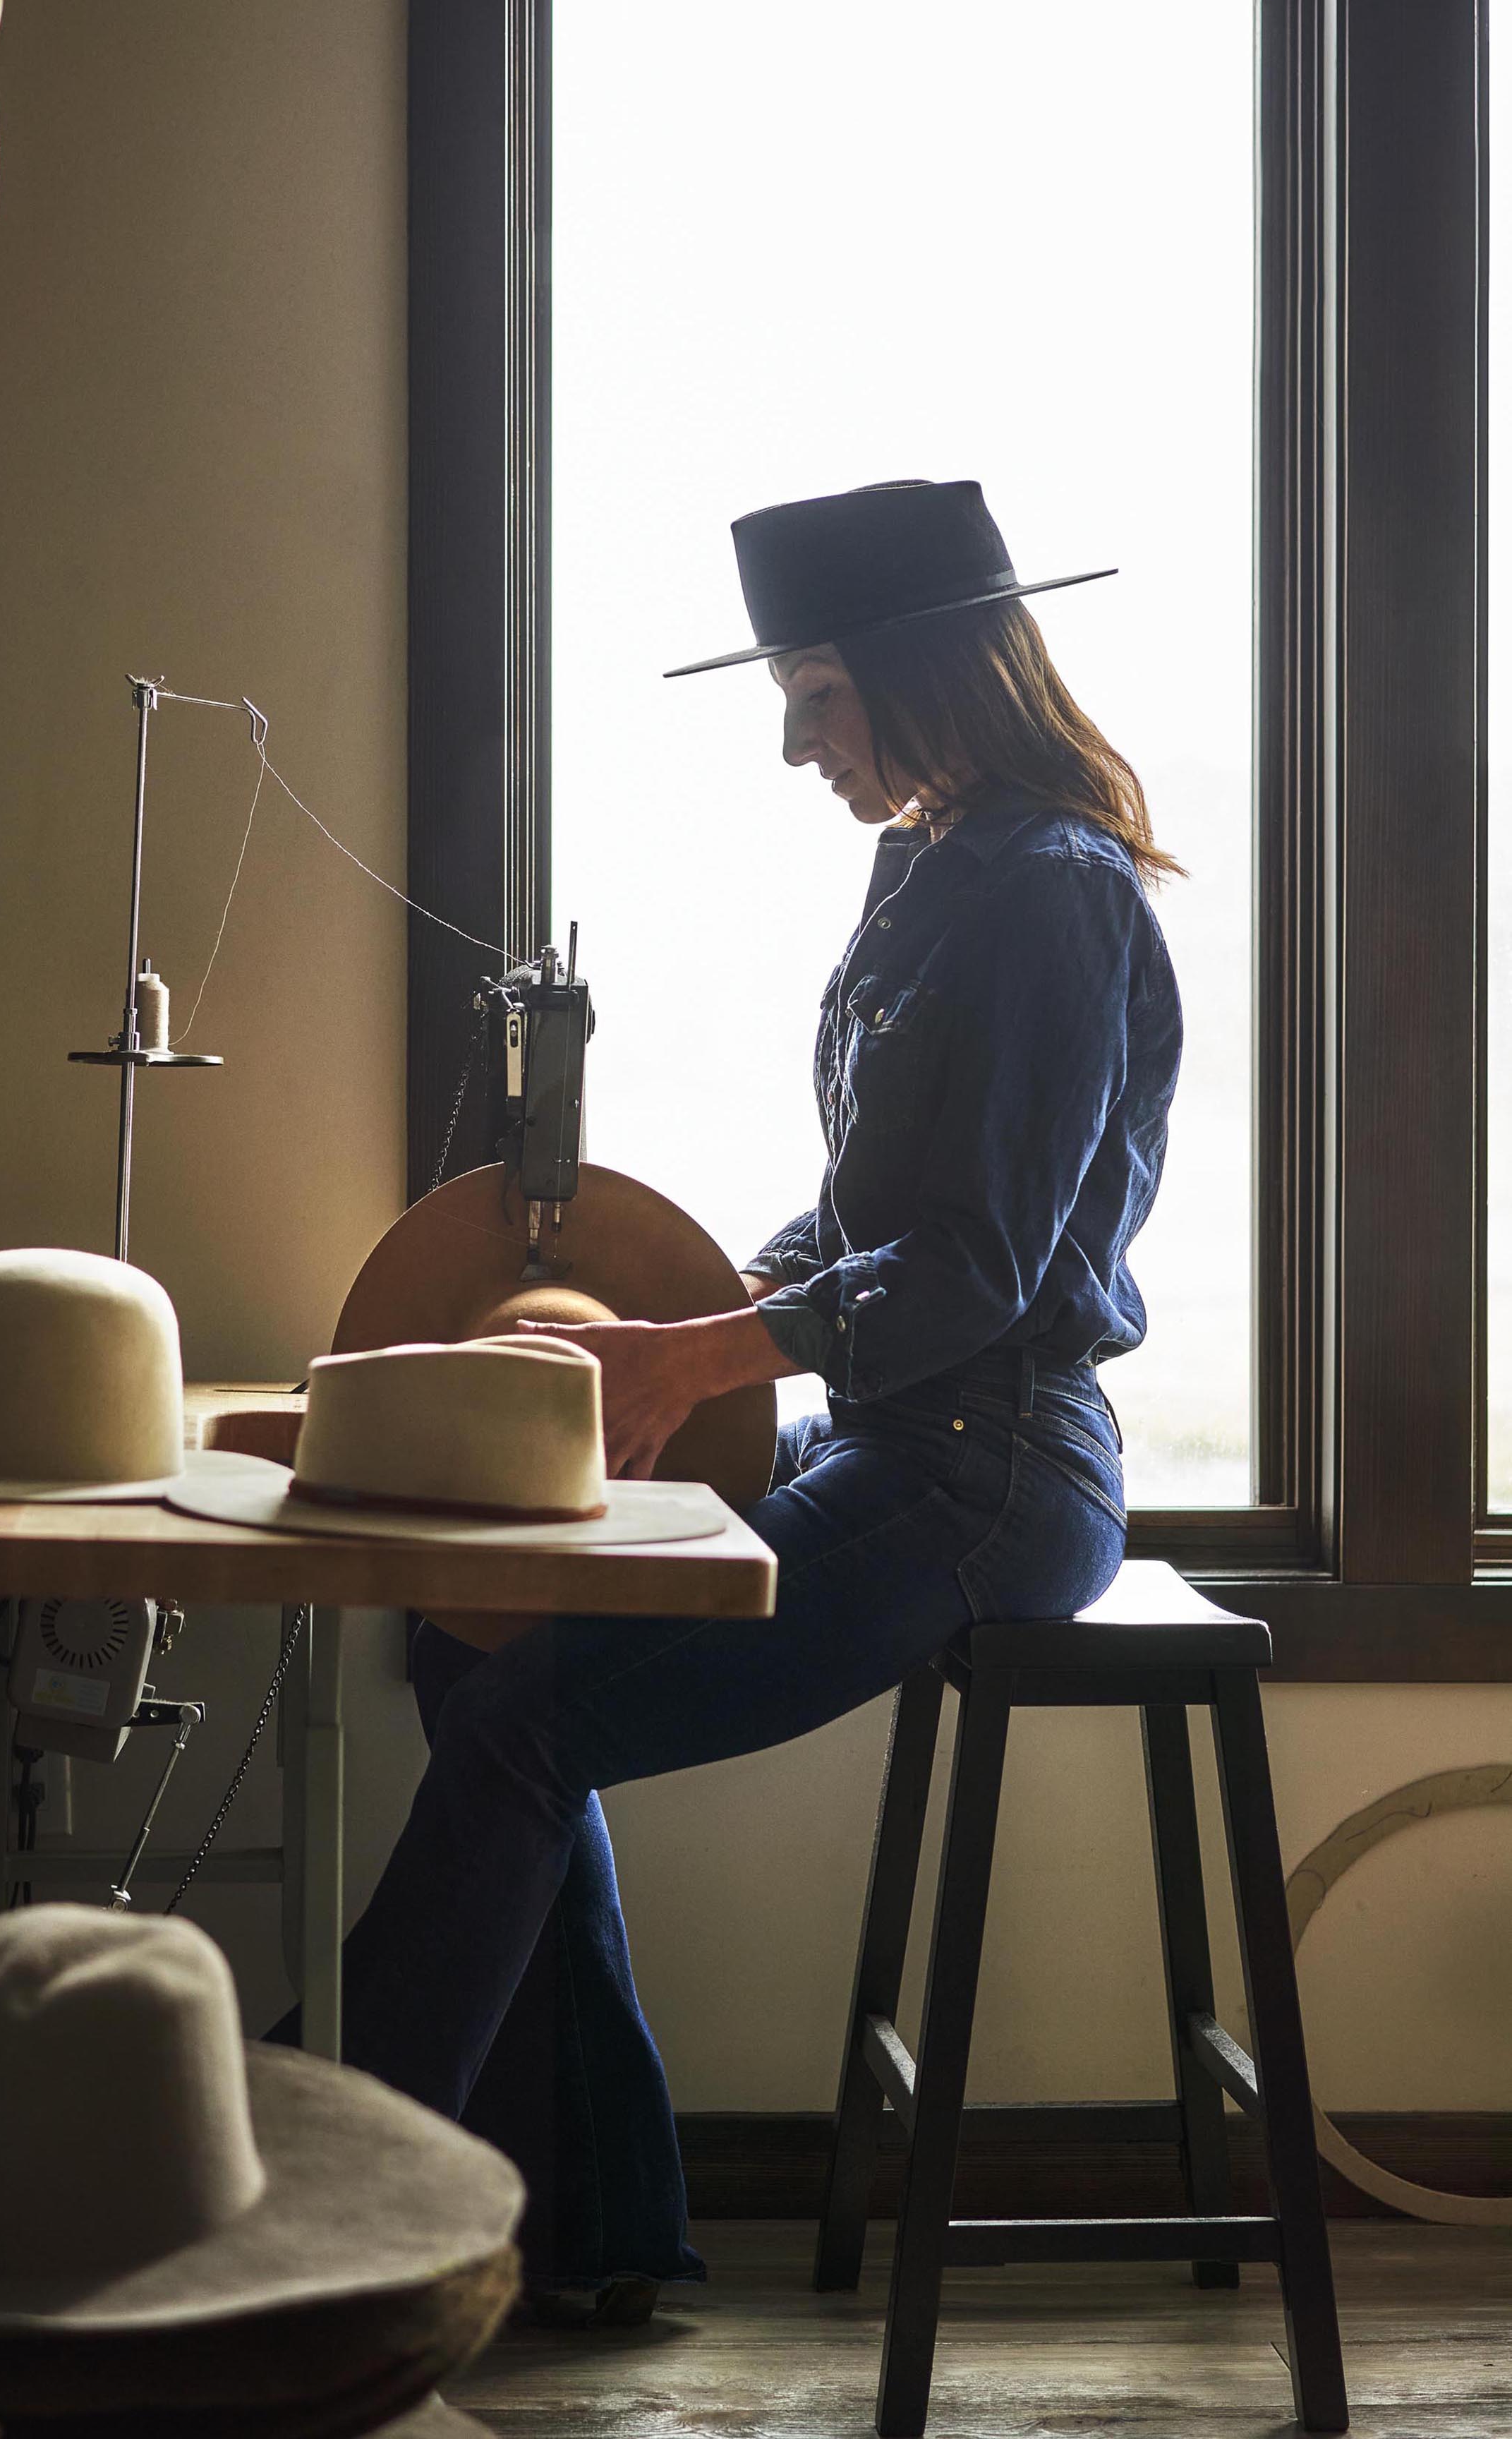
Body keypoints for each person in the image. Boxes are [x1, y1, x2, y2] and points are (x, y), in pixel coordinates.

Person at [333, 479, 1183, 2319]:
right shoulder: (931, 867)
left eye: (815, 697)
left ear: (916, 674)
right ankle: (588, 2235)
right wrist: (676, 1309)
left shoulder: (1047, 897)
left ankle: (342, 2234)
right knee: (472, 1646)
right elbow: (873, 1212)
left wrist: (694, 1355)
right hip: (902, 1433)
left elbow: (978, 1276)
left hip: (994, 1469)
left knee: (520, 1728)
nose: (795, 746)